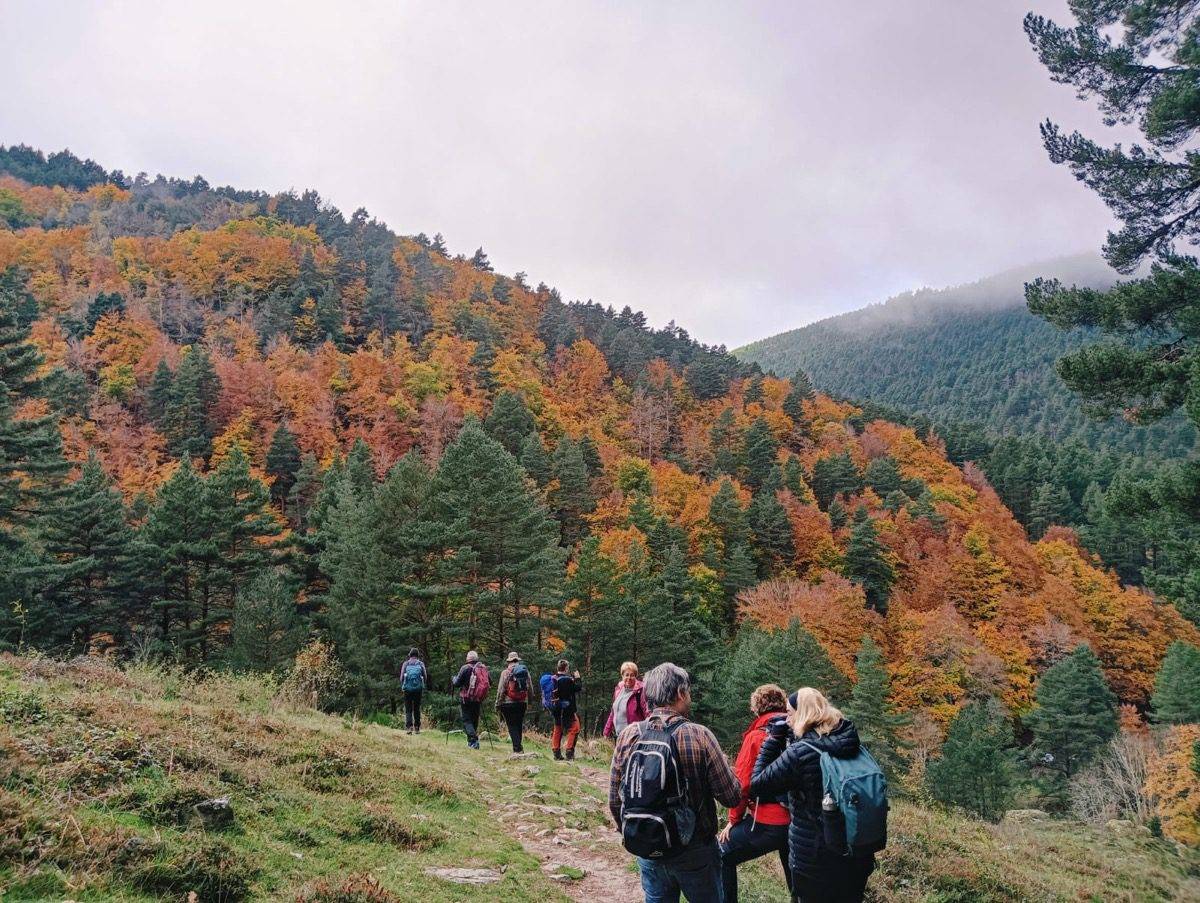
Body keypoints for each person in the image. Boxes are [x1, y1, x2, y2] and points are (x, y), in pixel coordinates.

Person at [609, 662, 741, 903]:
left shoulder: (629, 734)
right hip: (695, 850)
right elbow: (731, 796)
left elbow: (615, 799)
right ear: (680, 693)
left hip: (648, 843)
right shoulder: (699, 735)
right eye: (687, 691)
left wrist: (634, 830)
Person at [750, 687, 876, 903]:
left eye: (789, 713)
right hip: (856, 855)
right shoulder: (849, 740)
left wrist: (773, 740)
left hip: (815, 861)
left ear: (803, 715)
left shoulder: (800, 753)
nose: (786, 719)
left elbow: (758, 783)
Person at [718, 684, 792, 903]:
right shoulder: (799, 732)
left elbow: (741, 785)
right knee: (796, 875)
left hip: (767, 822)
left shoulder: (756, 737)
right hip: (799, 822)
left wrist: (734, 820)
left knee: (722, 853)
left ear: (757, 708)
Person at [450, 650, 490, 749]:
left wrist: (453, 678)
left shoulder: (465, 668)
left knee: (467, 720)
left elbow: (457, 683)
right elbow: (490, 682)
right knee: (474, 720)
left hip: (466, 698)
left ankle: (473, 741)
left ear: (468, 659)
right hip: (478, 698)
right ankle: (471, 742)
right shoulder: (483, 668)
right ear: (476, 659)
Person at [603, 661, 649, 739]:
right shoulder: (619, 689)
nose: (629, 678)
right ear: (622, 676)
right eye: (626, 675)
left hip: (635, 736)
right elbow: (613, 712)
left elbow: (648, 713)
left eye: (632, 675)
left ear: (636, 676)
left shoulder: (641, 691)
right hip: (619, 736)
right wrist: (606, 733)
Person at [495, 651, 530, 753]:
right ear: (517, 660)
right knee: (518, 724)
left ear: (509, 661)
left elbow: (501, 689)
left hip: (508, 703)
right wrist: (529, 701)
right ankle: (519, 746)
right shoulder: (525, 671)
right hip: (522, 702)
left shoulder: (505, 672)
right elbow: (530, 688)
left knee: (512, 726)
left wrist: (498, 703)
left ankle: (517, 748)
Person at [551, 659, 582, 760]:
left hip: (556, 709)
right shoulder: (567, 680)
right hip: (567, 709)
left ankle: (556, 752)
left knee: (558, 728)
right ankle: (569, 752)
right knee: (574, 728)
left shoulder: (554, 678)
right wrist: (577, 678)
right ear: (566, 668)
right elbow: (578, 688)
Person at [399, 647, 430, 734]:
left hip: (407, 690)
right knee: (416, 708)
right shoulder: (421, 664)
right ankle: (417, 728)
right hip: (418, 689)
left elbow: (401, 677)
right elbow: (425, 676)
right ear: (417, 655)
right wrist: (421, 684)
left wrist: (403, 685)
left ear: (410, 655)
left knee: (408, 708)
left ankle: (409, 728)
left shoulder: (406, 664)